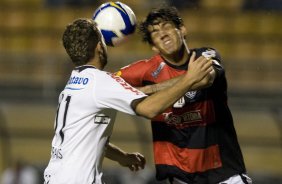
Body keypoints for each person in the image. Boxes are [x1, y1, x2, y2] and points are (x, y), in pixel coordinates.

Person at [43, 18, 212, 184]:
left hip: (55, 176)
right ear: (100, 47)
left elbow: (82, 140)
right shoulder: (101, 82)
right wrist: (189, 80)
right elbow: (149, 109)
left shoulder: (74, 82)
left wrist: (122, 157)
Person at [116, 6, 252, 184]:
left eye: (166, 26)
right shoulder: (145, 71)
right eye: (155, 32)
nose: (162, 34)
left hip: (225, 175)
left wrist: (149, 90)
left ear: (182, 29)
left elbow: (204, 78)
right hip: (180, 177)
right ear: (153, 47)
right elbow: (107, 88)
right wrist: (147, 90)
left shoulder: (205, 55)